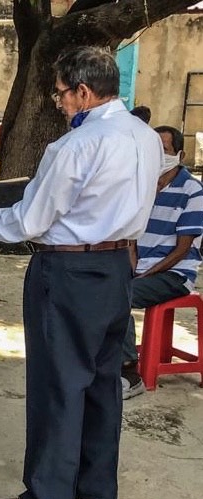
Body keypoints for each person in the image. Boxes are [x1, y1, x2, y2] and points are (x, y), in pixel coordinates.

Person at [0, 47, 164, 499]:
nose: (59, 102)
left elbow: (31, 219)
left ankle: (48, 497)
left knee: (59, 383)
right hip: (116, 268)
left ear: (84, 92)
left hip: (68, 272)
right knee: (103, 382)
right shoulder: (146, 137)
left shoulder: (73, 146)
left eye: (62, 93)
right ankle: (97, 488)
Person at [120, 125, 203, 399]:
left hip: (174, 273)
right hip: (141, 268)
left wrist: (144, 275)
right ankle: (105, 361)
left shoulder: (192, 190)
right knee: (93, 286)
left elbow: (182, 250)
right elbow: (131, 239)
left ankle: (130, 373)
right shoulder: (141, 185)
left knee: (119, 296)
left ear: (179, 154)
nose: (158, 156)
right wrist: (131, 269)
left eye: (164, 151)